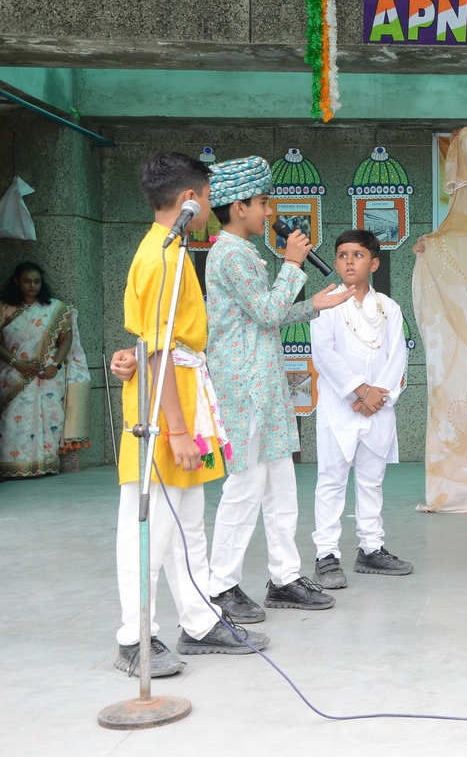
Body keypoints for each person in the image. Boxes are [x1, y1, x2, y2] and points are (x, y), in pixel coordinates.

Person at [113, 151, 268, 677]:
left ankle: (200, 622)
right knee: (150, 527)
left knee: (188, 525)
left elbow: (152, 341)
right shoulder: (164, 258)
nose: (209, 206)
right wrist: (176, 430)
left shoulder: (169, 249)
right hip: (165, 411)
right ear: (188, 200)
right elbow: (158, 349)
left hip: (183, 399)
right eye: (205, 196)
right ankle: (134, 637)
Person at [204, 155, 352, 622]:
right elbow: (267, 313)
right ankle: (221, 586)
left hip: (264, 385)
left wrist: (313, 305)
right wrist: (291, 263)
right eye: (263, 203)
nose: (269, 212)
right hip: (244, 388)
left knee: (281, 486)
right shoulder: (229, 254)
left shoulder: (244, 252)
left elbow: (262, 316)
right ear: (238, 207)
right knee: (245, 487)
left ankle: (285, 577)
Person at [311, 229, 413, 589]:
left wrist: (378, 396)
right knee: (331, 480)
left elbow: (398, 356)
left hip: (377, 408)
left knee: (371, 480)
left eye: (358, 255)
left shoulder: (389, 307)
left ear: (374, 263)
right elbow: (324, 355)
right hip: (340, 407)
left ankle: (371, 548)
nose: (349, 262)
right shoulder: (327, 303)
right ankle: (326, 554)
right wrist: (360, 391)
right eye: (342, 255)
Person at [0, 262, 90, 478]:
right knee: (13, 421)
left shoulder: (55, 308)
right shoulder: (4, 308)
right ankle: (13, 468)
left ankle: (45, 465)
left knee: (49, 418)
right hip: (13, 373)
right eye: (27, 281)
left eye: (37, 281)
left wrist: (55, 366)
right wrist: (16, 362)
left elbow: (65, 339)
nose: (32, 285)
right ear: (16, 281)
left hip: (47, 375)